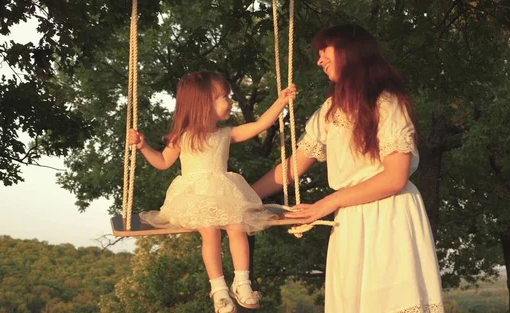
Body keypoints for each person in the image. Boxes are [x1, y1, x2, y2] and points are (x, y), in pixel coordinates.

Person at [251, 24, 444, 313]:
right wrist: (242, 195)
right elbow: (291, 168)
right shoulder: (330, 110)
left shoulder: (388, 104)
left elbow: (394, 178)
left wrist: (324, 205)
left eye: (324, 51)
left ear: (349, 52)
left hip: (389, 215)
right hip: (350, 221)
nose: (319, 60)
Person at [128, 71, 296, 313]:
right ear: (202, 104)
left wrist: (280, 103)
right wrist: (143, 147)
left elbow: (260, 125)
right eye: (223, 97)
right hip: (194, 196)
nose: (229, 101)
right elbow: (163, 162)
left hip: (225, 193)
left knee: (238, 228)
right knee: (210, 232)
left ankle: (242, 282)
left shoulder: (225, 134)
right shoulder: (182, 138)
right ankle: (218, 288)